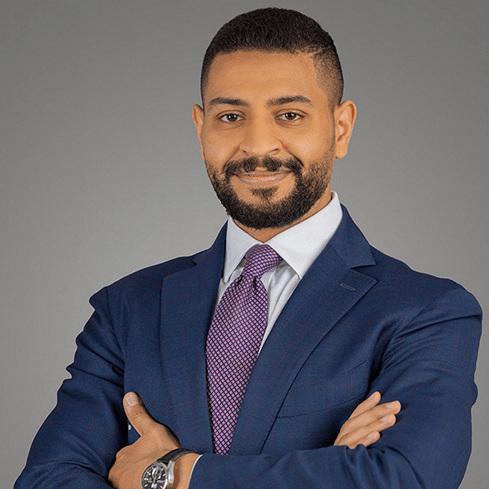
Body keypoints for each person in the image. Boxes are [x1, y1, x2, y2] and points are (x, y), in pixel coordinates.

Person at [15, 7, 481, 489]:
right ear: (201, 129)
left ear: (340, 128)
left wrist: (172, 475)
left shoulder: (427, 311)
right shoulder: (126, 309)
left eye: (289, 115)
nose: (258, 145)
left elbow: (402, 478)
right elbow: (47, 479)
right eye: (231, 116)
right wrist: (329, 468)